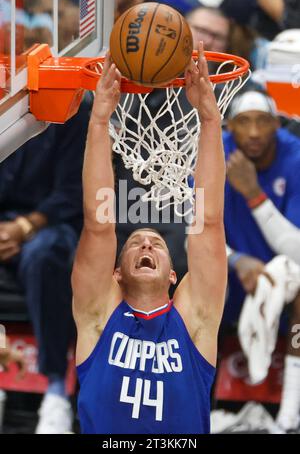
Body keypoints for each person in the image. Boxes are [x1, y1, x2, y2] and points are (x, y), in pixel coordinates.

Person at [72, 44, 227, 434]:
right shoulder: (98, 316)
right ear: (116, 274)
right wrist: (98, 122)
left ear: (175, 276)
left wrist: (209, 121)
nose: (145, 245)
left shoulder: (194, 320)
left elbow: (208, 223)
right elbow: (99, 223)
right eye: (136, 243)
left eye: (156, 244)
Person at [0, 100, 90, 434]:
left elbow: (73, 191)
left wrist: (23, 228)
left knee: (44, 255)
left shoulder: (74, 107)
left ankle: (56, 391)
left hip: (50, 223)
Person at [223, 89, 300, 433]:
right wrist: (236, 260)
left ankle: (288, 420)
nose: (254, 133)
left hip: (284, 282)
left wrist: (254, 194)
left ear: (278, 125)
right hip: (228, 274)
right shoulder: (212, 153)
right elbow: (189, 228)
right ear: (228, 127)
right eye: (244, 122)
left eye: (263, 122)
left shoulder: (295, 158)